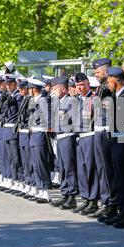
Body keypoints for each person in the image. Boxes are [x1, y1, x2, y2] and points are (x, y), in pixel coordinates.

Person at [104, 66, 124, 228]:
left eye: (109, 81)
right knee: (117, 178)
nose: (107, 85)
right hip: (114, 140)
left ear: (115, 82)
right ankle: (120, 210)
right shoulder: (115, 96)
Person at [91, 58, 117, 219]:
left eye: (97, 71)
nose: (95, 74)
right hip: (99, 131)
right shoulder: (102, 88)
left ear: (106, 71)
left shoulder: (112, 89)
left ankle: (112, 204)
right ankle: (106, 201)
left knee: (109, 171)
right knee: (101, 170)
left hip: (109, 133)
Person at [50, 76, 79, 209]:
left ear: (62, 89)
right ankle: (65, 193)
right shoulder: (59, 101)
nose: (53, 91)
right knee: (62, 167)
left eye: (55, 88)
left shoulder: (71, 101)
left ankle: (71, 196)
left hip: (67, 137)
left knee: (69, 167)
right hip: (60, 137)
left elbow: (75, 122)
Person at [73, 72, 99, 215]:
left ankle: (93, 200)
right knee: (81, 170)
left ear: (88, 84)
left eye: (82, 85)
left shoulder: (93, 99)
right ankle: (85, 198)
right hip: (79, 137)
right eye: (77, 85)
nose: (79, 87)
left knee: (90, 169)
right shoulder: (76, 100)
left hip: (90, 136)